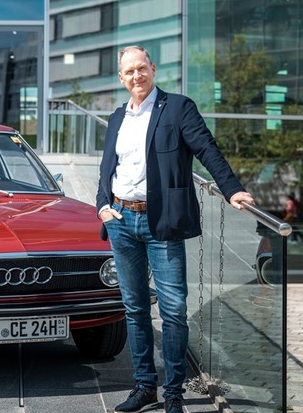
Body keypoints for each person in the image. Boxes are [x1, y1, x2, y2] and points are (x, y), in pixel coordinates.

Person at [96, 46, 254, 413]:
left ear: (153, 69)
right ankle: (143, 387)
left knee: (173, 310)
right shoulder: (117, 117)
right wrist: (102, 206)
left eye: (141, 68)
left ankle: (173, 393)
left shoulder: (178, 108)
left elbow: (206, 149)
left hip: (162, 223)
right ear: (121, 78)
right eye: (129, 72)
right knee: (135, 309)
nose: (137, 76)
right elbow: (108, 166)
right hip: (121, 220)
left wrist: (231, 188)